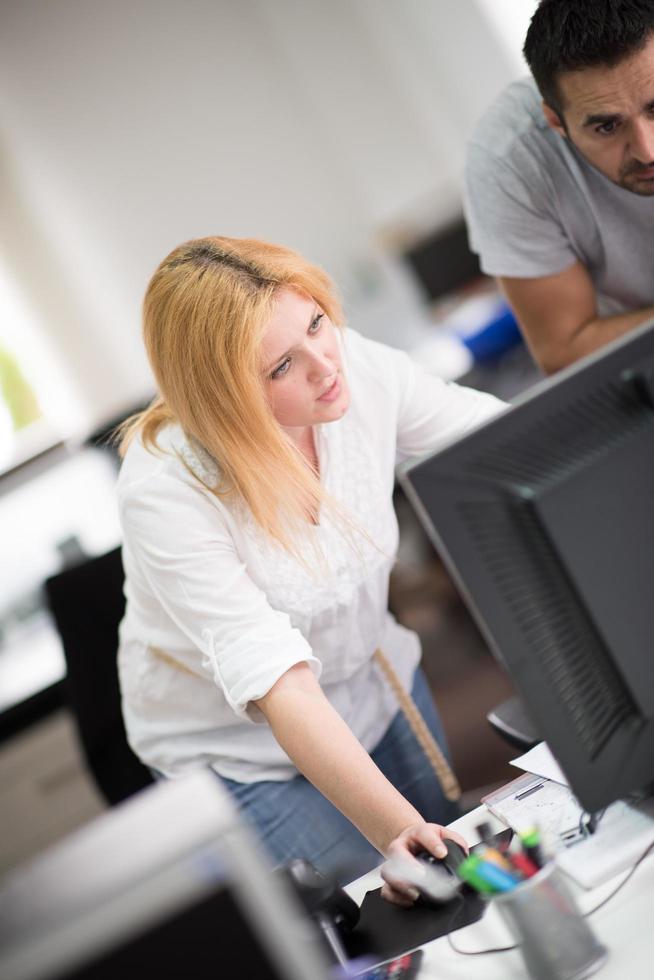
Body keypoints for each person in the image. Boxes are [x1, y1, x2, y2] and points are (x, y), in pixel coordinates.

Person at [116, 236, 504, 905]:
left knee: (469, 883)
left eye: (317, 323)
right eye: (280, 367)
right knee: (371, 930)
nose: (326, 365)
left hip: (375, 683)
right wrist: (397, 831)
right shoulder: (166, 492)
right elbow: (282, 687)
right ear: (224, 398)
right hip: (246, 754)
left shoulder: (355, 370)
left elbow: (506, 441)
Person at [464, 0, 654, 375]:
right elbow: (564, 348)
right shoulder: (509, 159)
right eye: (607, 127)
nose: (647, 151)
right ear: (556, 121)